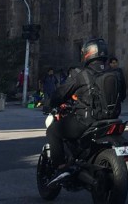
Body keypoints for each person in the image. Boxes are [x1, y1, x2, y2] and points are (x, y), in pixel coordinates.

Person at [46, 38, 115, 173]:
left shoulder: (81, 75)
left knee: (53, 131)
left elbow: (61, 93)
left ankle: (60, 166)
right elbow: (122, 96)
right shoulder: (116, 74)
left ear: (88, 54)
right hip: (110, 119)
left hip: (86, 120)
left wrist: (50, 102)